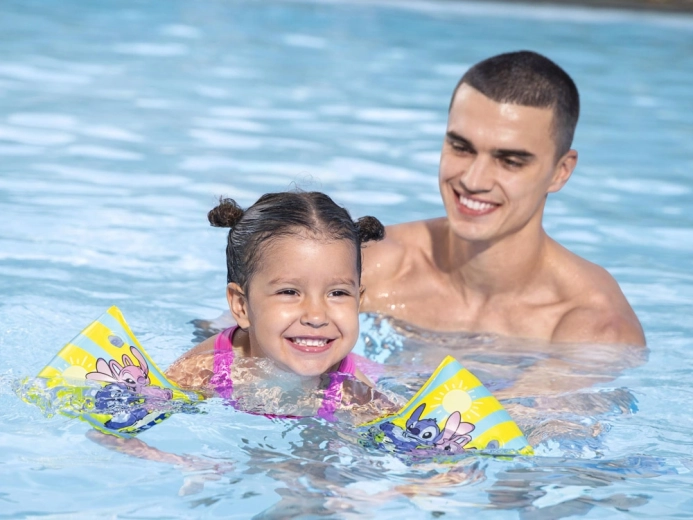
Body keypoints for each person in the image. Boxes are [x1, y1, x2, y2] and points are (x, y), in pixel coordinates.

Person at [360, 50, 645, 346]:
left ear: (560, 172)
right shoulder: (368, 269)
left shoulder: (592, 332)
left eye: (510, 161)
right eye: (461, 148)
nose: (473, 181)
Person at [165, 191, 389, 419]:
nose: (316, 316)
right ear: (241, 305)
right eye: (289, 292)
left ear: (358, 302)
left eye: (338, 293)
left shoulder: (355, 395)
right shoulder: (206, 369)